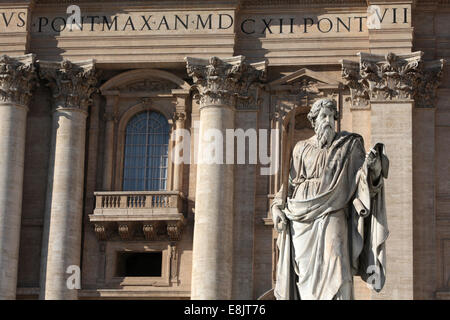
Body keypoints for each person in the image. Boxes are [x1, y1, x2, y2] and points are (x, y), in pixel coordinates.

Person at [271, 98, 389, 300]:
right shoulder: (301, 148)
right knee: (305, 273)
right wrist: (276, 206)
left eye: (330, 116)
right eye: (322, 116)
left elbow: (364, 179)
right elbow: (290, 183)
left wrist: (374, 167)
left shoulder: (349, 145)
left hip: (334, 211)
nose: (327, 121)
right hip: (301, 218)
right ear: (314, 121)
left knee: (337, 260)